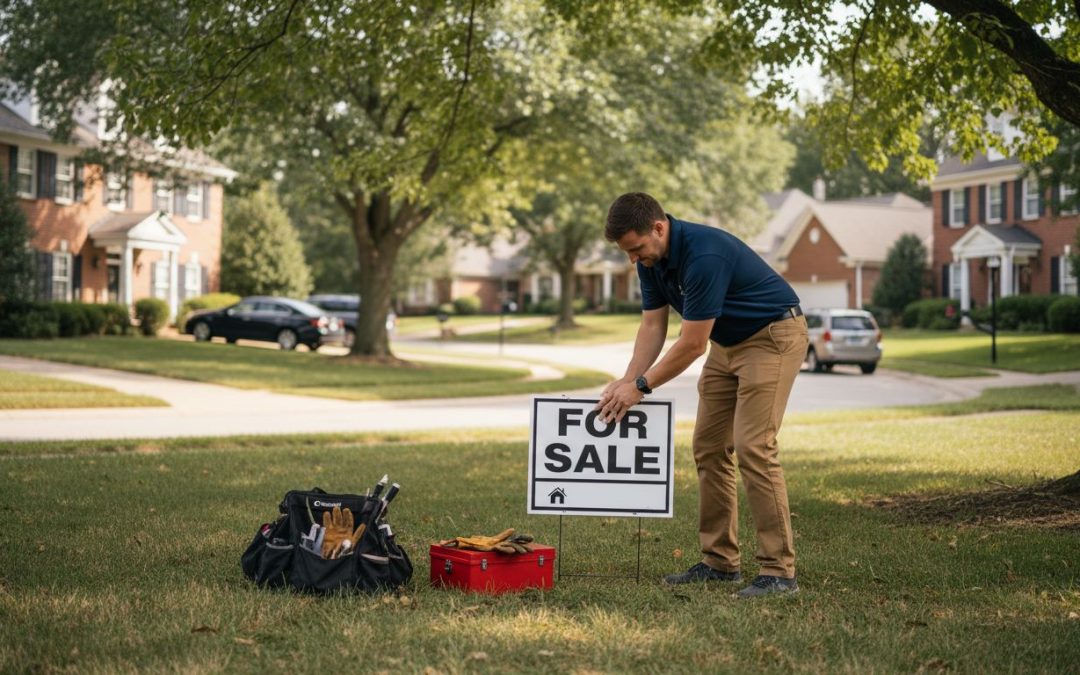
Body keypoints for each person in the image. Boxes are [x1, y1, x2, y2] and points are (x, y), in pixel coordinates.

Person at [596, 192, 808, 599]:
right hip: (726, 345)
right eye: (627, 253)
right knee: (709, 447)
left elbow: (692, 344)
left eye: (637, 249)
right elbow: (653, 328)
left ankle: (779, 571)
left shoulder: (704, 255)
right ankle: (720, 562)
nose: (634, 260)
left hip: (772, 336)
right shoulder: (649, 260)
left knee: (754, 447)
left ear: (659, 228)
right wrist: (626, 380)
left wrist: (640, 388)